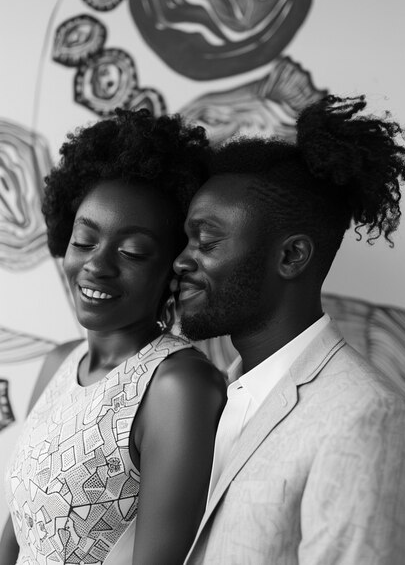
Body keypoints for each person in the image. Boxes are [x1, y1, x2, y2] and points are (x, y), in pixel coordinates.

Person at [174, 95, 405, 565]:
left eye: (207, 242)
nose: (181, 260)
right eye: (185, 240)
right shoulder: (212, 397)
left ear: (291, 256)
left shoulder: (366, 416)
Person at [1, 108, 226, 565]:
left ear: (173, 269)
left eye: (132, 252)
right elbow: (19, 528)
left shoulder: (178, 386)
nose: (97, 265)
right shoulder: (58, 363)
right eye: (84, 241)